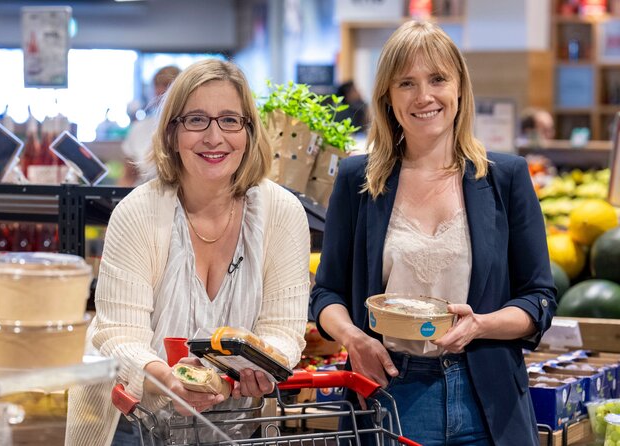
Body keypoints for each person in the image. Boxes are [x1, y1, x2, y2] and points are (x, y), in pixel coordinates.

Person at [309, 21, 556, 446]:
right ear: (388, 97)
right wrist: (353, 338)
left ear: (459, 88)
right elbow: (326, 293)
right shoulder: (358, 179)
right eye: (406, 83)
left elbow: (538, 298)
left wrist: (480, 325)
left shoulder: (506, 178)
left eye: (438, 79)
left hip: (487, 399)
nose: (424, 96)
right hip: (389, 391)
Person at [89, 59, 310, 444]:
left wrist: (242, 373)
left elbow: (283, 333)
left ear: (249, 132)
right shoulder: (138, 213)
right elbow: (119, 334)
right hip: (140, 424)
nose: (214, 137)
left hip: (241, 430)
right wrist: (168, 379)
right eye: (196, 120)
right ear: (172, 132)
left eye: (229, 120)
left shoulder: (282, 213)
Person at [120, 65, 182, 185]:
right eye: (157, 85)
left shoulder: (187, 129)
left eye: (167, 85)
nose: (160, 91)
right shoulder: (138, 128)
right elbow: (128, 176)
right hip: (140, 197)